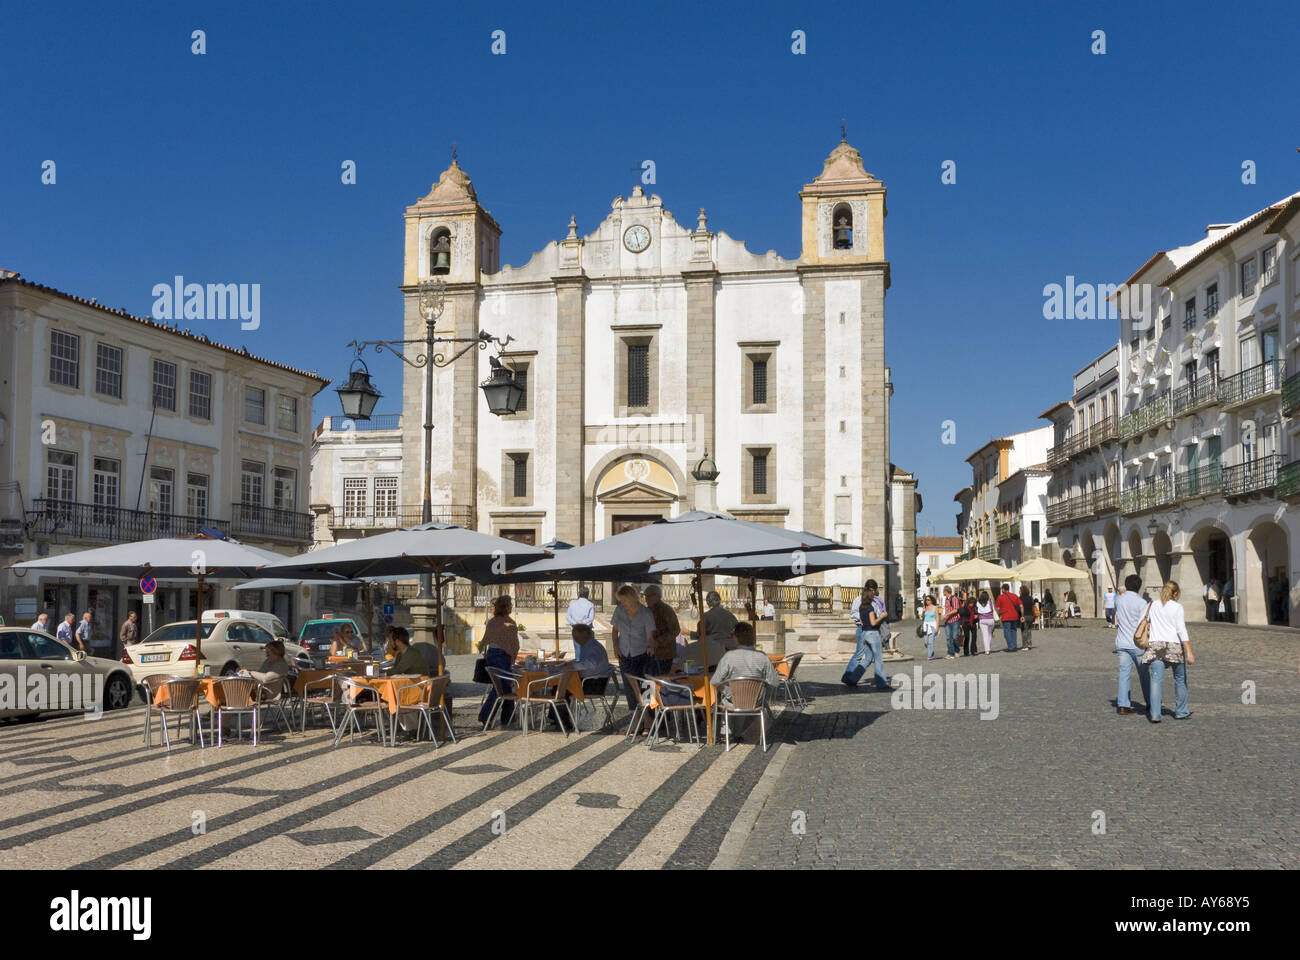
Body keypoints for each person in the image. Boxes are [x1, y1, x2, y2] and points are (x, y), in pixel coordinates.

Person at [1142, 581, 1194, 722]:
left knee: (1156, 680)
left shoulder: (1151, 605)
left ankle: (1155, 714)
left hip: (1156, 646)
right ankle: (1181, 711)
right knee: (1180, 679)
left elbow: (1143, 621)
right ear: (1175, 593)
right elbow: (1181, 630)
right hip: (1174, 646)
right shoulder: (1177, 607)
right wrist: (1189, 651)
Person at [610, 584, 657, 723]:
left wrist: (650, 646)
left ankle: (648, 717)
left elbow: (650, 636)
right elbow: (614, 631)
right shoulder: (619, 611)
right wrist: (615, 647)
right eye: (620, 600)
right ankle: (636, 718)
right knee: (629, 687)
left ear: (632, 598)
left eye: (624, 600)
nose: (622, 603)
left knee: (645, 686)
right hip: (624, 653)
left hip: (642, 653)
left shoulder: (646, 613)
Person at [711, 621, 780, 712]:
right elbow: (774, 682)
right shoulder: (763, 657)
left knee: (719, 694)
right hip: (756, 701)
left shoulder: (728, 656)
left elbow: (714, 681)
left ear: (736, 638)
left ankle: (723, 724)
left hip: (732, 702)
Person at [478, 596, 521, 726]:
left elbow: (485, 640)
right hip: (502, 656)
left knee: (504, 685)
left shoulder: (492, 622)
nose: (511, 606)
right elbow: (514, 644)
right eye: (510, 604)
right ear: (506, 607)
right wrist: (513, 656)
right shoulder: (510, 623)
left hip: (491, 654)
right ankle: (486, 714)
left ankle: (508, 716)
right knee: (501, 686)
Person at [1112, 574, 1151, 716]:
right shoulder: (1142, 603)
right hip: (1137, 643)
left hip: (1122, 642)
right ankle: (1150, 703)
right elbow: (1145, 623)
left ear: (1126, 585)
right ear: (1139, 587)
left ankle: (1123, 705)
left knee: (1124, 674)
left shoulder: (1118, 600)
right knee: (1144, 675)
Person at [842, 579, 891, 689]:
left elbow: (864, 620)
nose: (873, 593)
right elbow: (873, 620)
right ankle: (882, 683)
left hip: (864, 630)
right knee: (873, 657)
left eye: (874, 590)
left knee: (868, 658)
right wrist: (881, 617)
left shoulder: (867, 604)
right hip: (871, 632)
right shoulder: (867, 604)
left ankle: (852, 678)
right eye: (871, 591)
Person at [643, 584, 680, 676]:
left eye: (649, 596)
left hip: (664, 654)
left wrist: (658, 641)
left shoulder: (666, 610)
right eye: (645, 596)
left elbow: (675, 630)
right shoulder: (647, 610)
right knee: (648, 680)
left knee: (660, 680)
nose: (646, 599)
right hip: (648, 653)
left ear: (657, 596)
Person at [565, 586, 595, 656]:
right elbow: (591, 618)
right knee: (587, 651)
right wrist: (583, 623)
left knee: (578, 651)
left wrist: (575, 623)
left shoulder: (572, 604)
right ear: (588, 594)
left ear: (579, 594)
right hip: (586, 630)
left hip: (576, 629)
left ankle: (578, 664)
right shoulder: (590, 604)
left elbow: (568, 616)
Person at [994, 583, 1022, 652]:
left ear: (1003, 589)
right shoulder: (1014, 596)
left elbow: (997, 608)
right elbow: (1021, 605)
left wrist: (998, 615)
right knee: (1014, 630)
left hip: (1006, 616)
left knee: (1007, 631)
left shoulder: (1000, 597)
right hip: (1014, 616)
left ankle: (1010, 646)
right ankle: (1014, 645)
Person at [941, 586, 961, 660]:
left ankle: (957, 650)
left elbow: (956, 610)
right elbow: (946, 609)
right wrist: (944, 616)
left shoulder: (954, 598)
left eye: (943, 591)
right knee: (948, 638)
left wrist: (946, 614)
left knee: (955, 637)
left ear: (946, 591)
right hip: (947, 621)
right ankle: (950, 653)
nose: (943, 592)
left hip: (955, 620)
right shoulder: (946, 599)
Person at [975, 590, 995, 655]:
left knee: (985, 635)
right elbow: (993, 609)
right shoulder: (990, 602)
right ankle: (988, 648)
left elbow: (976, 611)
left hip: (982, 620)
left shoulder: (978, 603)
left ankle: (987, 650)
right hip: (990, 620)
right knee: (989, 634)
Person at [959, 593, 978, 657]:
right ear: (968, 603)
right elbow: (961, 616)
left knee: (974, 637)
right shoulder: (965, 608)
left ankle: (973, 651)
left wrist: (977, 616)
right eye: (970, 603)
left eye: (973, 603)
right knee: (967, 637)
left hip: (973, 623)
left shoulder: (975, 608)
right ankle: (966, 652)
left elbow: (978, 614)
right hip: (966, 623)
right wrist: (961, 624)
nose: (971, 604)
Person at [920, 595, 938, 661]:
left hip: (932, 626)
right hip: (925, 626)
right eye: (926, 600)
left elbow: (937, 618)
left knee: (931, 641)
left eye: (928, 600)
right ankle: (931, 651)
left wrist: (937, 627)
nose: (927, 601)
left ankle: (929, 655)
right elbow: (922, 617)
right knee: (926, 642)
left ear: (932, 600)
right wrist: (923, 611)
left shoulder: (935, 607)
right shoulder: (925, 607)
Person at [1019, 585, 1035, 651]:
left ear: (1022, 591)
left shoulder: (1020, 598)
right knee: (1029, 630)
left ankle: (1025, 645)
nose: (1019, 591)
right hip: (1031, 615)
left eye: (1020, 590)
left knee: (1024, 631)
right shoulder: (1030, 598)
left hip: (1024, 615)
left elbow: (1019, 607)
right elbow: (1032, 605)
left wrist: (1021, 616)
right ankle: (1029, 644)